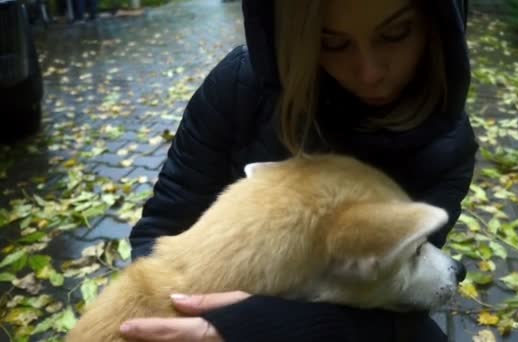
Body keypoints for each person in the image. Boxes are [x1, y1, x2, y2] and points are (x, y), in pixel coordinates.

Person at [121, 0, 478, 341]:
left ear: (438, 21)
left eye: (396, 32)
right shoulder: (237, 90)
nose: (370, 73)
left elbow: (406, 293)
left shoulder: (449, 149)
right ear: (297, 36)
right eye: (333, 43)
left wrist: (311, 328)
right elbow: (160, 234)